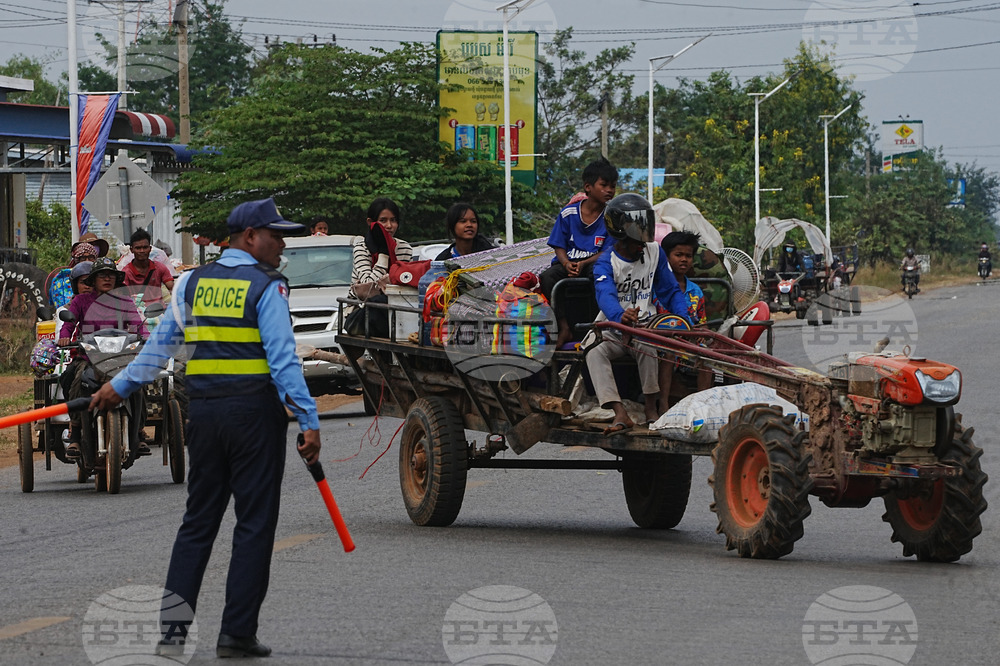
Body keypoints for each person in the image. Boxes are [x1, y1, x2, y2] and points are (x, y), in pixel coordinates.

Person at [90, 198, 321, 659]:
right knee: (253, 526)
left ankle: (172, 633)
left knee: (197, 524)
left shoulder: (193, 283)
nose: (281, 246)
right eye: (276, 236)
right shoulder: (267, 286)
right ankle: (236, 633)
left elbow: (161, 347)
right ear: (250, 237)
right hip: (254, 415)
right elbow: (283, 361)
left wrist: (119, 385)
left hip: (206, 414)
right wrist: (309, 420)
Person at [585, 193, 691, 432]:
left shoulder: (655, 252)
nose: (641, 246)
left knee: (648, 346)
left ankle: (651, 407)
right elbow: (604, 294)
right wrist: (619, 316)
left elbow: (670, 291)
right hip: (613, 327)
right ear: (620, 236)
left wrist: (685, 318)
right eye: (636, 241)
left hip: (645, 325)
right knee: (593, 351)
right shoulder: (606, 261)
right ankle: (619, 411)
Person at [58, 257, 149, 457]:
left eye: (111, 275)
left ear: (116, 280)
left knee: (138, 385)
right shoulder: (80, 301)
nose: (107, 279)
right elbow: (68, 325)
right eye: (102, 275)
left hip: (120, 358)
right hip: (89, 358)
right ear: (94, 280)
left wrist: (146, 339)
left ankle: (139, 431)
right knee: (73, 380)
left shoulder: (125, 301)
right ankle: (75, 433)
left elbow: (137, 324)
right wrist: (64, 338)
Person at [539, 157, 619, 347]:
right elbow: (558, 244)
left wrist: (583, 263)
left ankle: (596, 326)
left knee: (600, 275)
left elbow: (609, 251)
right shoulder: (568, 213)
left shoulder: (611, 217)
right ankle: (563, 326)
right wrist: (566, 263)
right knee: (547, 277)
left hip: (594, 264)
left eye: (613, 186)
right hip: (568, 263)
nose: (609, 190)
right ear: (588, 187)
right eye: (604, 185)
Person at [657, 231, 710, 406]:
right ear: (666, 256)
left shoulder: (696, 291)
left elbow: (702, 323)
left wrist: (701, 333)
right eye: (678, 255)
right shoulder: (658, 287)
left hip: (690, 342)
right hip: (662, 341)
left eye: (688, 256)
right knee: (668, 354)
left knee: (707, 355)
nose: (684, 260)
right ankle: (663, 405)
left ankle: (702, 404)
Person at [347, 197, 414, 336]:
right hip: (361, 313)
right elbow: (367, 287)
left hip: (396, 312)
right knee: (378, 303)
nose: (389, 226)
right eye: (383, 220)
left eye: (393, 220)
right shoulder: (362, 248)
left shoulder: (404, 248)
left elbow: (407, 283)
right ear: (370, 223)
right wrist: (384, 254)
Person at [122, 229, 175, 303]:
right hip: (136, 312)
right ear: (132, 250)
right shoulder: (126, 272)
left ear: (150, 249)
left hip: (158, 311)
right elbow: (123, 296)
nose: (142, 251)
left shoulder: (159, 267)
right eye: (138, 248)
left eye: (145, 247)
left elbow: (172, 288)